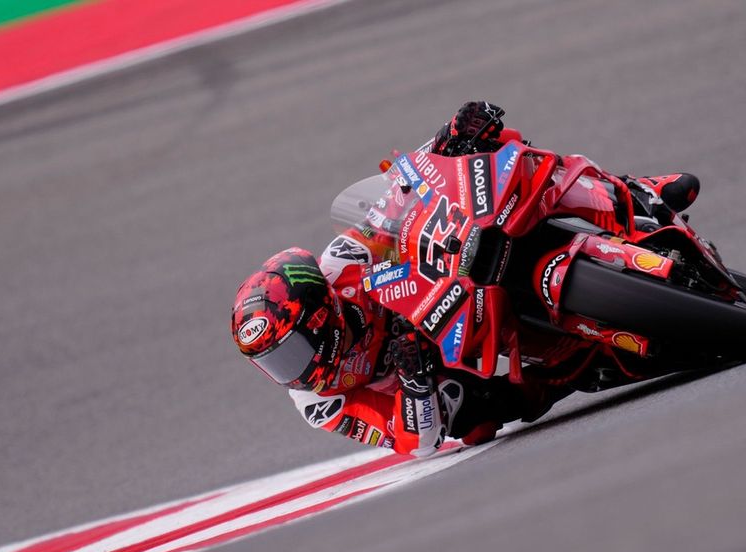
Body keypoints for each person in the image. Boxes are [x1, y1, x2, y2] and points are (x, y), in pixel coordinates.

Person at [230, 102, 699, 456]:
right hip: (447, 365)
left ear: (320, 312)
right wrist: (415, 383)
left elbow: (397, 199)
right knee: (473, 422)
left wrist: (448, 140)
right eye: (275, 363)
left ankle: (634, 192)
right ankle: (577, 365)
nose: (292, 372)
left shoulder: (343, 260)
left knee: (510, 170)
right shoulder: (319, 403)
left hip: (451, 285)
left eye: (292, 351)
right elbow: (413, 442)